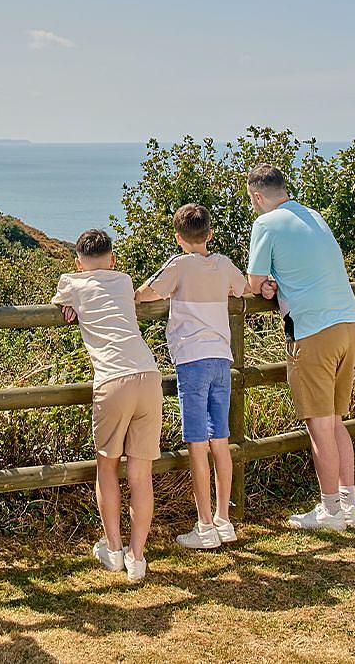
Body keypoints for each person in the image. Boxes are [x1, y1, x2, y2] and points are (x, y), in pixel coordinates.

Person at [245, 163, 355, 531]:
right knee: (335, 421)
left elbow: (252, 282)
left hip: (314, 332)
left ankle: (329, 510)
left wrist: (266, 287)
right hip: (349, 325)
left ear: (257, 195)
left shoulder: (265, 224)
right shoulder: (313, 215)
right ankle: (350, 504)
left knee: (318, 425)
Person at [52, 229, 162, 582]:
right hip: (148, 375)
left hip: (113, 381)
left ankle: (113, 549)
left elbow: (62, 298)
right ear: (113, 259)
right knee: (141, 475)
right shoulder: (124, 279)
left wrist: (70, 305)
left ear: (78, 262)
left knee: (107, 468)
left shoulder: (73, 281)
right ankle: (137, 557)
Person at [135, 203, 245, 550]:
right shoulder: (224, 264)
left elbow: (143, 294)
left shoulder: (178, 265)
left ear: (179, 238)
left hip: (191, 361)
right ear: (210, 234)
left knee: (197, 444)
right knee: (221, 440)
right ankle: (224, 520)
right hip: (221, 359)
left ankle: (203, 525)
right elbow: (243, 288)